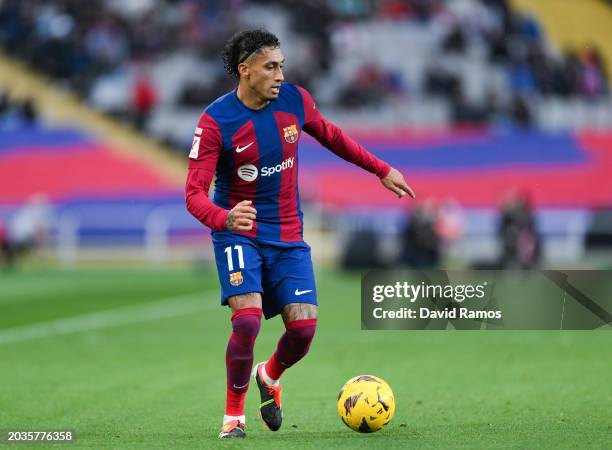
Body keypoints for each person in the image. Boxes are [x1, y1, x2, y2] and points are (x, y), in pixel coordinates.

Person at [185, 29, 415, 439]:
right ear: (245, 70)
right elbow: (193, 195)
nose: (279, 75)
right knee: (248, 322)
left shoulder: (295, 101)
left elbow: (333, 136)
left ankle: (269, 376)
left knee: (304, 330)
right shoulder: (215, 121)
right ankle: (233, 417)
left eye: (281, 66)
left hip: (288, 233)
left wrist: (382, 169)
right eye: (270, 67)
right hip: (240, 232)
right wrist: (223, 218)